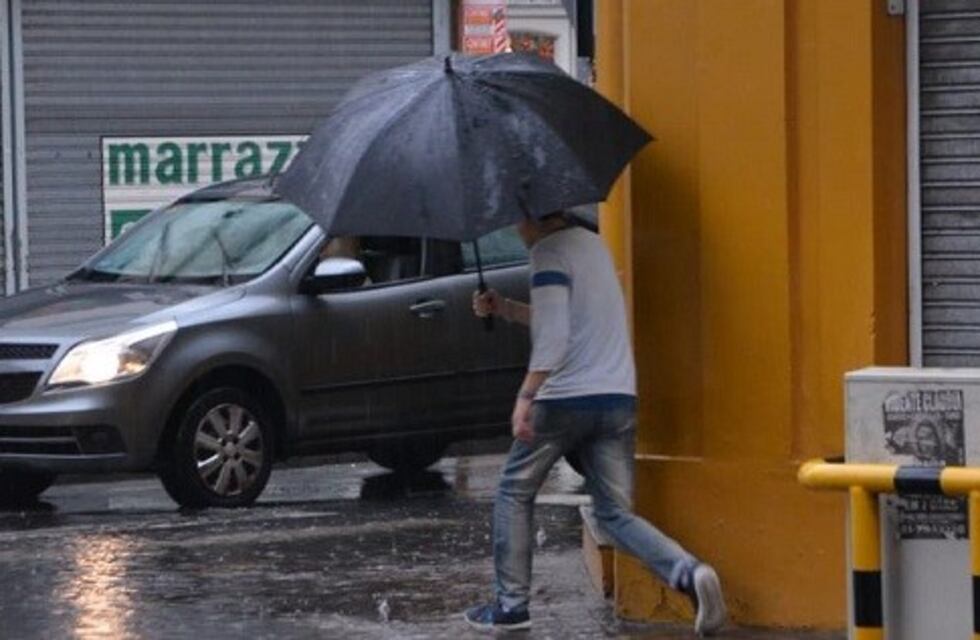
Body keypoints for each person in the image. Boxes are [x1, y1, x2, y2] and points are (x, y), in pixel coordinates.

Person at [463, 212, 727, 635]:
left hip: (564, 400)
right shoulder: (593, 247)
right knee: (615, 514)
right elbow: (571, 319)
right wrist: (506, 308)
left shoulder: (548, 252)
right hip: (616, 398)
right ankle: (689, 572)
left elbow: (554, 336)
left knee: (514, 491)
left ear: (531, 218)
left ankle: (511, 605)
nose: (516, 229)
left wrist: (526, 396)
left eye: (517, 221)